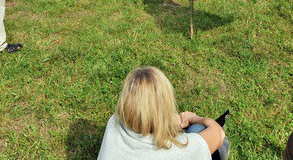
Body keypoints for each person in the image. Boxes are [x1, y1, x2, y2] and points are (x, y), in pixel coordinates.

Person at [97, 66, 228, 159]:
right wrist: (193, 118)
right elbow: (218, 133)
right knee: (200, 129)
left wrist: (177, 120)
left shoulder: (115, 122)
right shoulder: (177, 152)